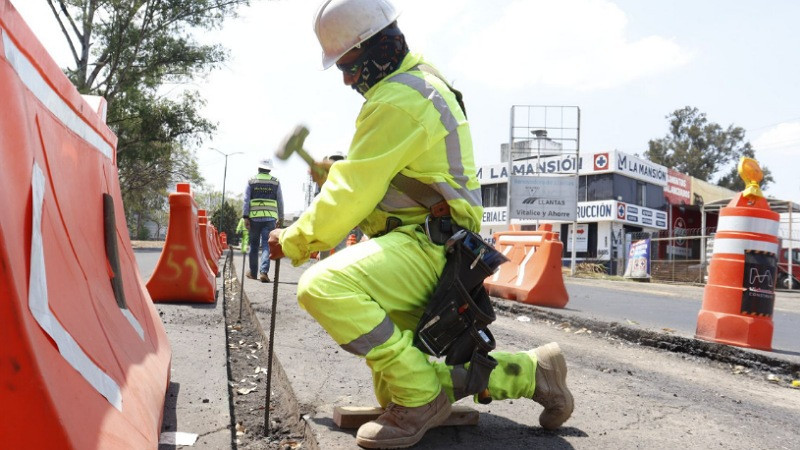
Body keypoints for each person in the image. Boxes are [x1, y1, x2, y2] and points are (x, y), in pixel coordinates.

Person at [268, 0, 573, 447]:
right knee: (408, 366)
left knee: (323, 287)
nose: (348, 79)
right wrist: (341, 167)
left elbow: (353, 193)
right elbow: (391, 175)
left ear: (375, 48)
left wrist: (294, 240)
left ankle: (420, 398)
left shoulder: (399, 99)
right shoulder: (418, 83)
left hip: (429, 246)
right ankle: (533, 372)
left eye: (349, 65)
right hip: (434, 241)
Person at [243, 158, 283, 283]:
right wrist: (280, 217)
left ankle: (253, 273)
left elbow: (246, 200)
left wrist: (245, 216)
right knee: (266, 245)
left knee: (254, 245)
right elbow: (280, 201)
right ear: (270, 169)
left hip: (254, 218)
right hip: (270, 218)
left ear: (258, 168)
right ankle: (263, 272)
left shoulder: (251, 181)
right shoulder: (275, 182)